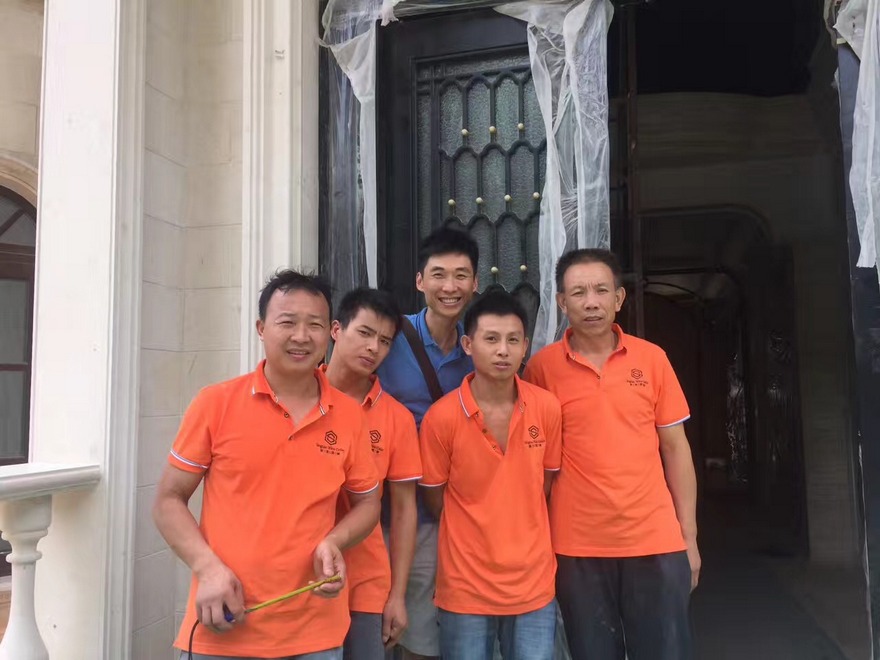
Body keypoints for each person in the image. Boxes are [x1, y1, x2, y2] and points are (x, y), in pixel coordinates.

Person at [153, 269, 381, 660]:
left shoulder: (349, 416)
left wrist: (335, 541)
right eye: (287, 322)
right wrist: (207, 568)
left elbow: (368, 504)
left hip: (316, 634)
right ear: (261, 328)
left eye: (315, 325)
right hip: (223, 625)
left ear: (330, 332)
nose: (301, 336)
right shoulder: (216, 403)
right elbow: (168, 500)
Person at [523, 249, 700, 660]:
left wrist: (688, 538)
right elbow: (533, 462)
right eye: (578, 292)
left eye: (601, 290)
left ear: (619, 298)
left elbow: (676, 448)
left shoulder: (652, 359)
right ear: (561, 302)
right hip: (577, 547)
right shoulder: (541, 369)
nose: (591, 302)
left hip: (654, 540)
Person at [419, 291, 562, 660]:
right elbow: (435, 497)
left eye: (513, 340)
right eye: (491, 339)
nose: (503, 351)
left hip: (533, 584)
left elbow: (544, 484)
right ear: (468, 345)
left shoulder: (546, 408)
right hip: (465, 586)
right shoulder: (441, 418)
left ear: (525, 347)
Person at [375, 226, 479, 660]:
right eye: (439, 274)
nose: (449, 286)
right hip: (375, 511)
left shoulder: (480, 349)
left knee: (420, 636)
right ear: (420, 281)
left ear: (475, 283)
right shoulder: (388, 338)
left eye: (461, 276)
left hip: (438, 518)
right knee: (365, 633)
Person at [323, 288, 422, 660]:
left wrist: (397, 595)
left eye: (384, 341)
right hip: (298, 577)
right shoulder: (299, 396)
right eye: (364, 333)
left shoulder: (396, 417)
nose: (373, 348)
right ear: (336, 329)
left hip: (365, 582)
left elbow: (404, 510)